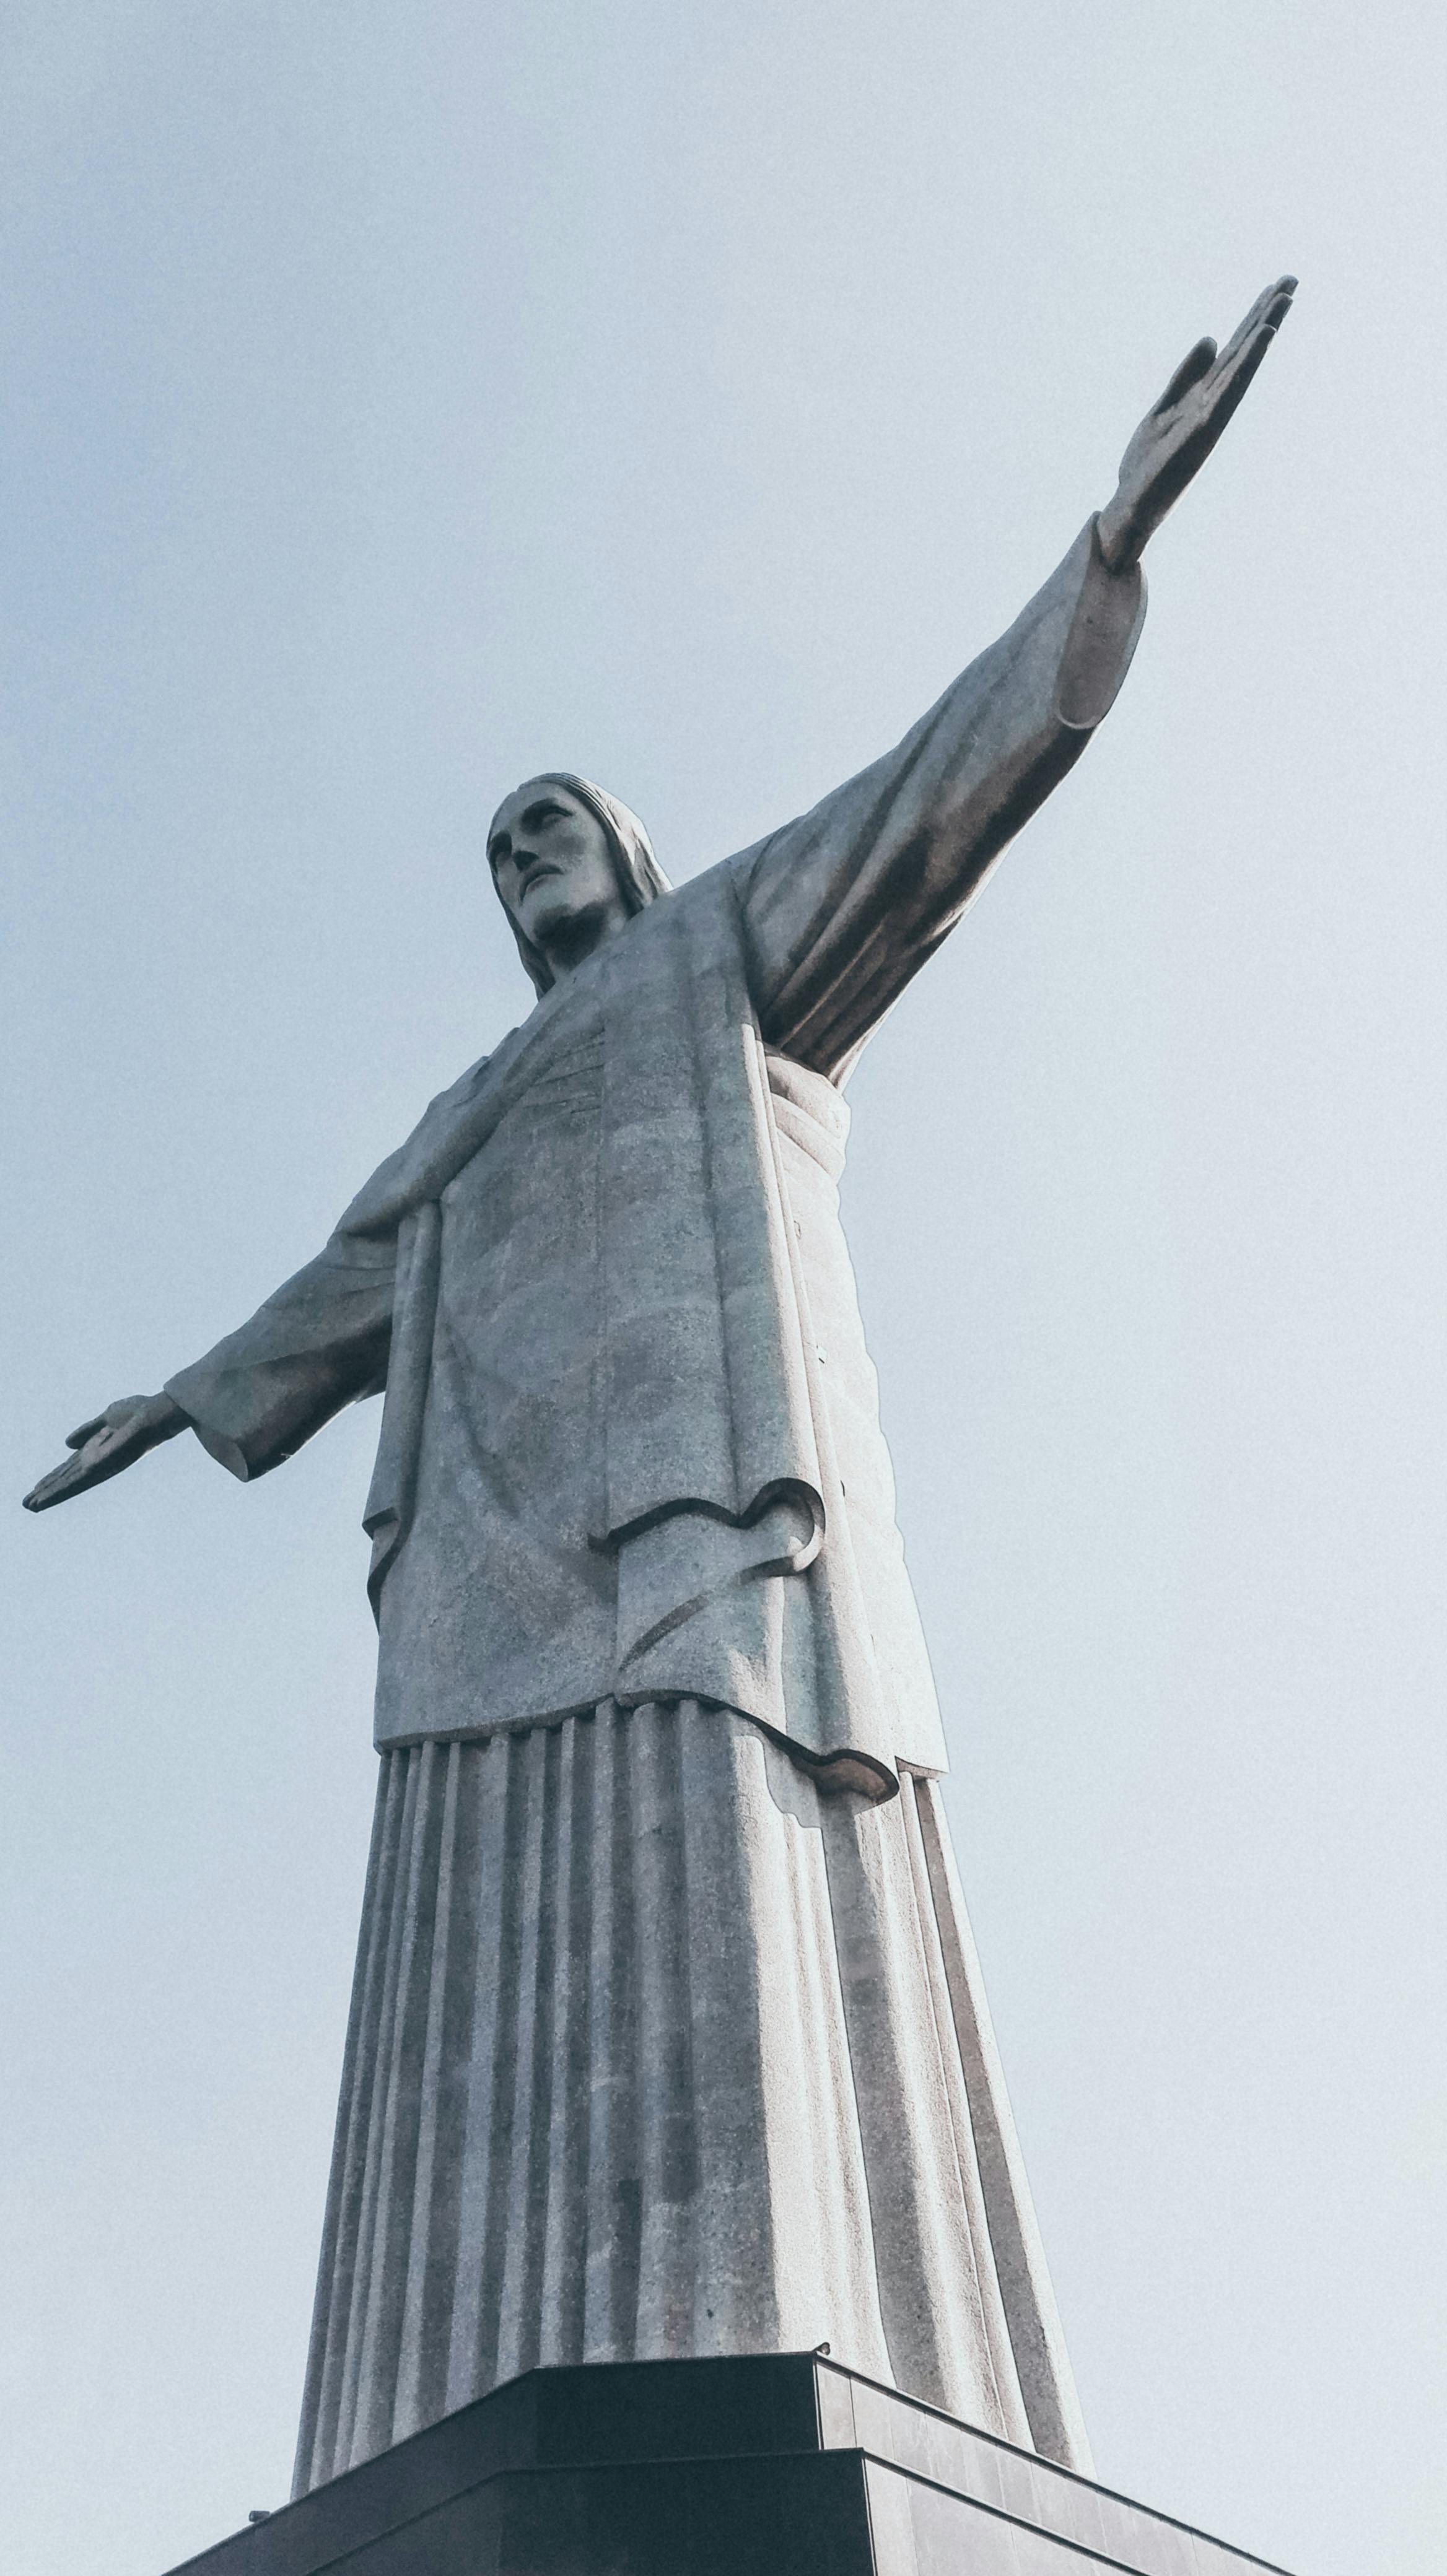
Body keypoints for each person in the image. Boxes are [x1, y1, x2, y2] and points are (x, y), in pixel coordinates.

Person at [25, 281, 1295, 2496]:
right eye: (494, 845)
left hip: (697, 1507)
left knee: (719, 1853)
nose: (521, 860)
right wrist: (177, 1399)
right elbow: (333, 1296)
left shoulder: (727, 954)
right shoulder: (453, 1117)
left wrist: (1104, 556)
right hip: (479, 1585)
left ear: (626, 852)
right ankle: (456, 2404)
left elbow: (931, 802)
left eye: (550, 825)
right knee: (481, 1939)